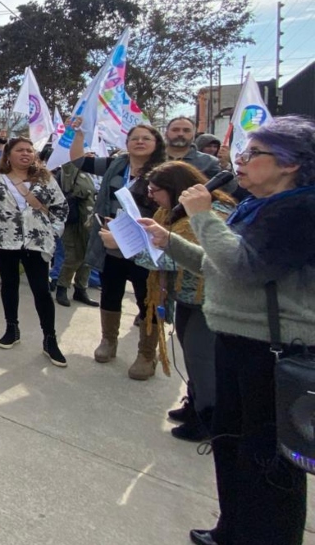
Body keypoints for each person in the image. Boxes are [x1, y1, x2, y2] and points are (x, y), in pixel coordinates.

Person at [139, 116, 314, 545]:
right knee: (232, 445)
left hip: (272, 350)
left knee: (267, 461)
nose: (241, 160)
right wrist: (169, 240)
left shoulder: (299, 209)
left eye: (254, 154)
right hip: (238, 339)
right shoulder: (260, 205)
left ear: (289, 165)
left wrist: (200, 216)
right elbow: (218, 265)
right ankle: (232, 529)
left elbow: (243, 267)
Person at [100, 161, 235, 442]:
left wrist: (123, 245)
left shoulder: (209, 215)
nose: (151, 197)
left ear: (174, 188)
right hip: (184, 298)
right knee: (193, 357)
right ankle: (196, 404)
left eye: (155, 190)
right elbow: (157, 241)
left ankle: (208, 419)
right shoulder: (170, 211)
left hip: (208, 300)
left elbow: (173, 257)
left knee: (202, 359)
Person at [69, 122, 166, 380]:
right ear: (127, 143)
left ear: (156, 143)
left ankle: (147, 354)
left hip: (147, 246)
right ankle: (108, 342)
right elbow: (79, 161)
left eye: (147, 138)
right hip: (112, 242)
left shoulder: (165, 171)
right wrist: (79, 133)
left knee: (148, 299)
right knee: (111, 291)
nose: (140, 141)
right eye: (135, 138)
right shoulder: (117, 164)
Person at [0, 138, 69, 367]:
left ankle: (50, 339)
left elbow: (61, 207)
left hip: (36, 243)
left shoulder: (45, 179)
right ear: (8, 154)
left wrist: (52, 231)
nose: (25, 153)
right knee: (10, 284)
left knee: (41, 291)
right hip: (5, 242)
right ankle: (11, 328)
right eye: (20, 150)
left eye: (29, 150)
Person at [51, 161, 99, 307]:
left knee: (88, 258)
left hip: (91, 220)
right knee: (72, 257)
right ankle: (62, 287)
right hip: (74, 220)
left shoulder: (95, 169)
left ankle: (80, 289)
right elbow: (69, 188)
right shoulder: (69, 168)